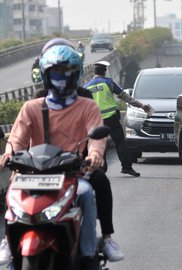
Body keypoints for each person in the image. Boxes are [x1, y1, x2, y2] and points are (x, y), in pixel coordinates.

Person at [0, 39, 124, 266]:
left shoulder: (87, 105)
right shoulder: (32, 107)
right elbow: (17, 138)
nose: (61, 77)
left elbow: (96, 137)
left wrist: (94, 155)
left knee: (87, 193)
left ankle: (90, 252)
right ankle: (8, 242)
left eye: (66, 72)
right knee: (11, 191)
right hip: (34, 171)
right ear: (45, 75)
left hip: (71, 172)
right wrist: (9, 153)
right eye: (55, 72)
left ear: (75, 74)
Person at [84, 61, 153, 177]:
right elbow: (125, 97)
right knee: (120, 142)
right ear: (104, 71)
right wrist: (142, 106)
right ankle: (126, 167)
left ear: (94, 72)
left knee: (100, 143)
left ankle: (101, 169)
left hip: (95, 121)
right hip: (111, 119)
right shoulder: (108, 82)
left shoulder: (86, 87)